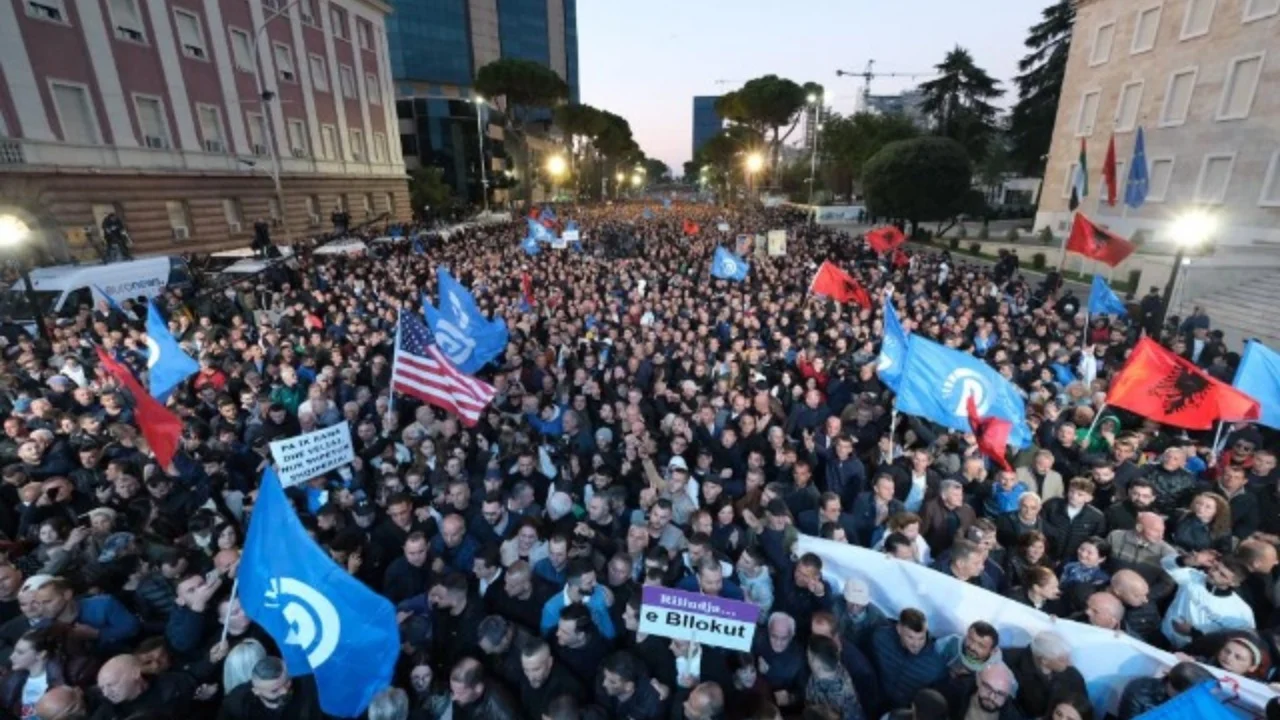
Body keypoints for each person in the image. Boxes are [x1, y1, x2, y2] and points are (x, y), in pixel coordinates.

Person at [219, 656, 322, 720]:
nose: (284, 691)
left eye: (287, 682)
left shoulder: (308, 689)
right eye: (275, 690)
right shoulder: (237, 703)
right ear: (256, 691)